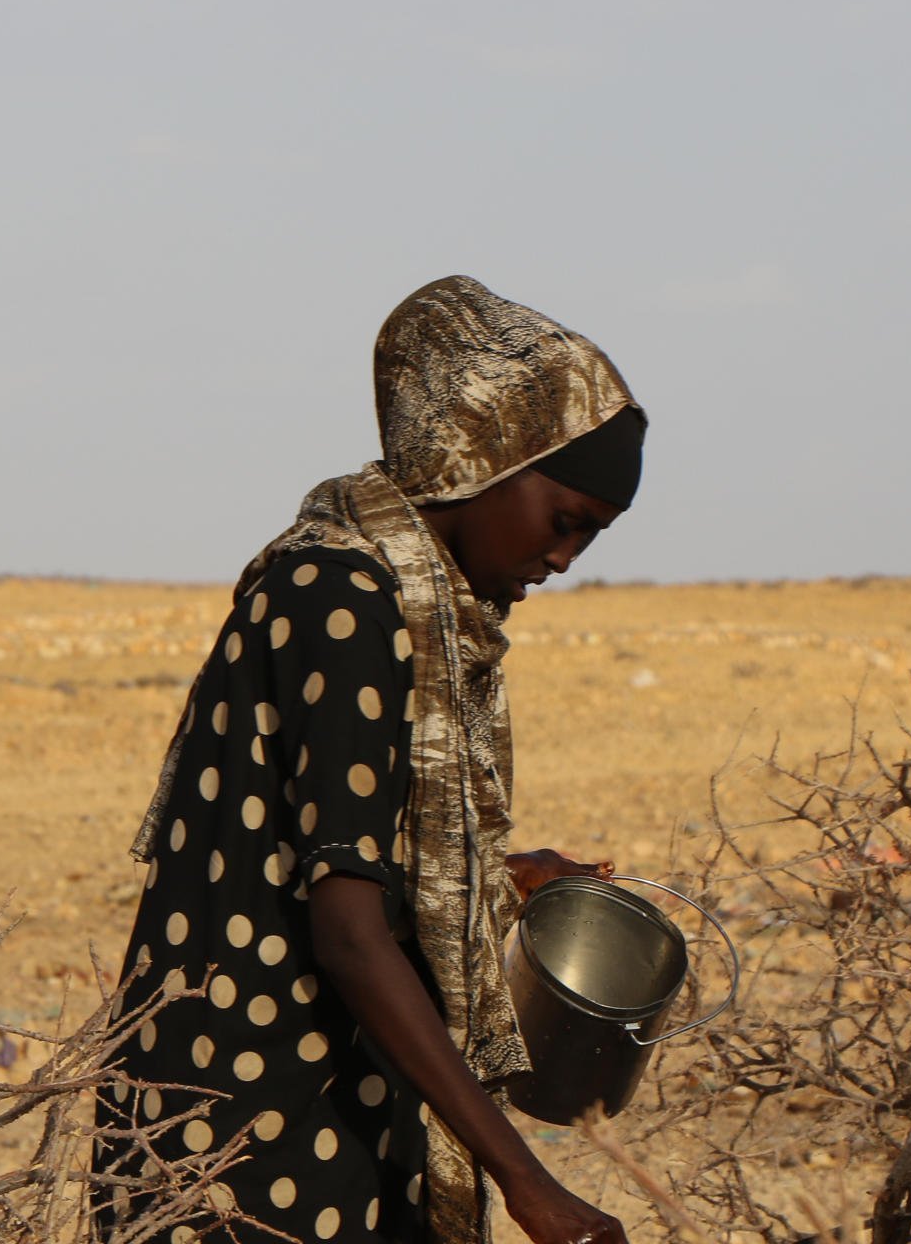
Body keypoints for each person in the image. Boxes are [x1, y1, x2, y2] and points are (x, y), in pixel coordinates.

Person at [94, 276, 646, 1244]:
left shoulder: (377, 594)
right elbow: (347, 929)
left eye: (590, 536)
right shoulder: (341, 601)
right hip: (260, 1121)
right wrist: (526, 1181)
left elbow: (329, 845)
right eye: (565, 519)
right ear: (480, 456)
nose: (565, 557)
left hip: (306, 1092)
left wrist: (497, 877)